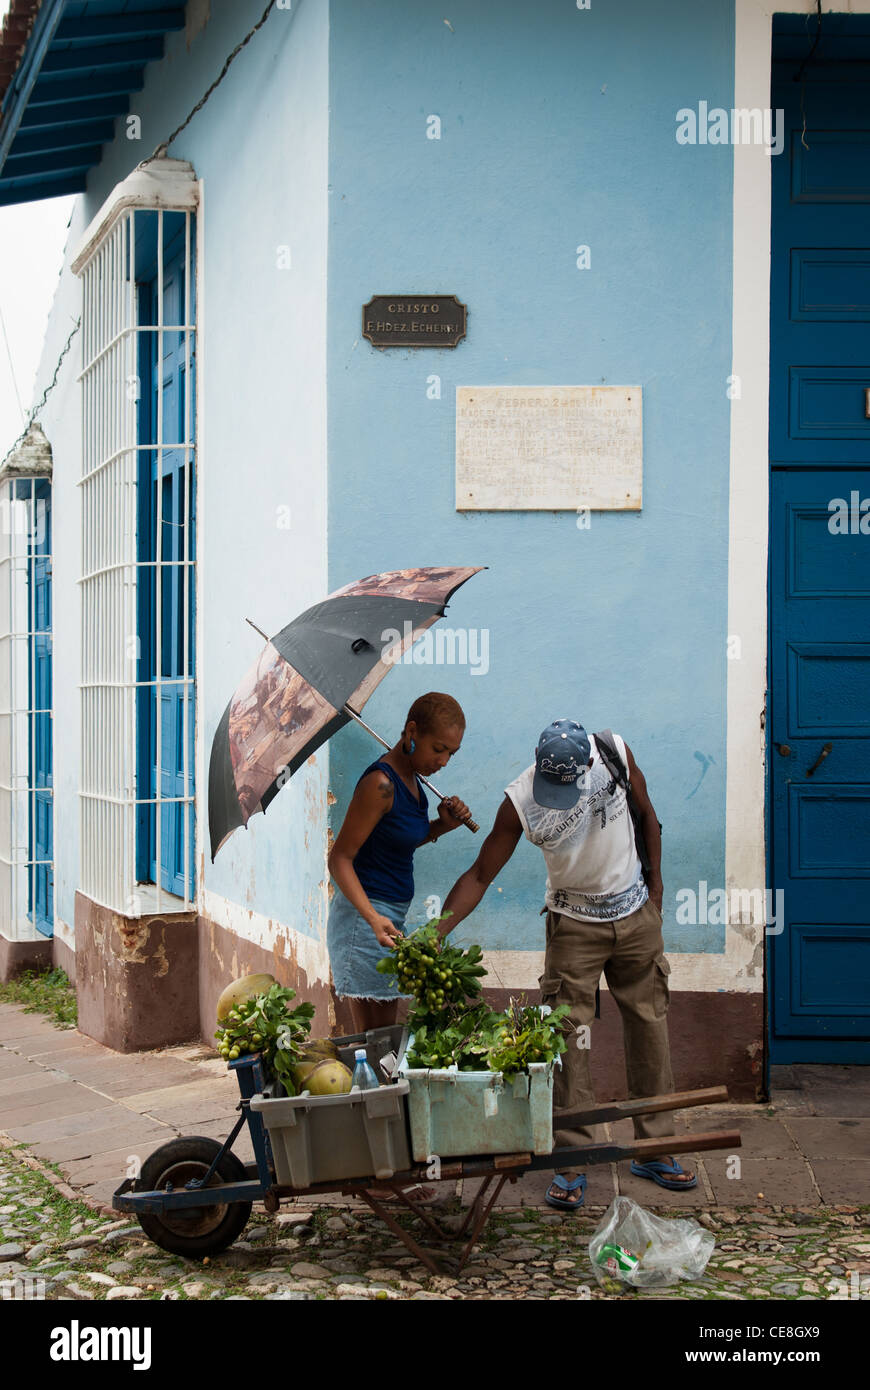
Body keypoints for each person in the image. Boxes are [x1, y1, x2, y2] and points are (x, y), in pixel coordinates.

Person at [439, 717, 696, 1210]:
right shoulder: (520, 802)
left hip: (635, 913)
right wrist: (436, 934)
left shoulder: (614, 752)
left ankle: (655, 1147)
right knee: (566, 1036)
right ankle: (573, 1158)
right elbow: (480, 873)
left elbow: (647, 815)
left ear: (587, 768)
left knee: (649, 1023)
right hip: (573, 925)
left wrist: (657, 888)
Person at [327, 691, 471, 1034]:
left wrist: (441, 826)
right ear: (411, 732)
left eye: (452, 752)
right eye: (438, 749)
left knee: (386, 1039)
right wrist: (373, 919)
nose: (445, 761)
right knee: (374, 1041)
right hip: (364, 922)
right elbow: (340, 860)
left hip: (389, 918)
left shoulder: (415, 783)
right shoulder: (381, 784)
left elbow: (395, 842)